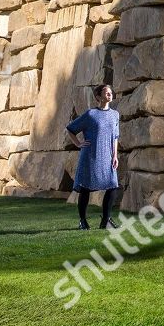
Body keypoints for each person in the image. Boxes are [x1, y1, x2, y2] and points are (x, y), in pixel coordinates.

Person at [66, 83, 120, 230]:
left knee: (113, 185)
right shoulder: (90, 114)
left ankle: (106, 220)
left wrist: (115, 156)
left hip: (108, 156)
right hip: (90, 155)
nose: (109, 94)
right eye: (106, 92)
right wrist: (78, 143)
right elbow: (71, 129)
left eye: (110, 92)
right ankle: (83, 221)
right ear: (98, 97)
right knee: (85, 188)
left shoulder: (115, 115)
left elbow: (115, 137)